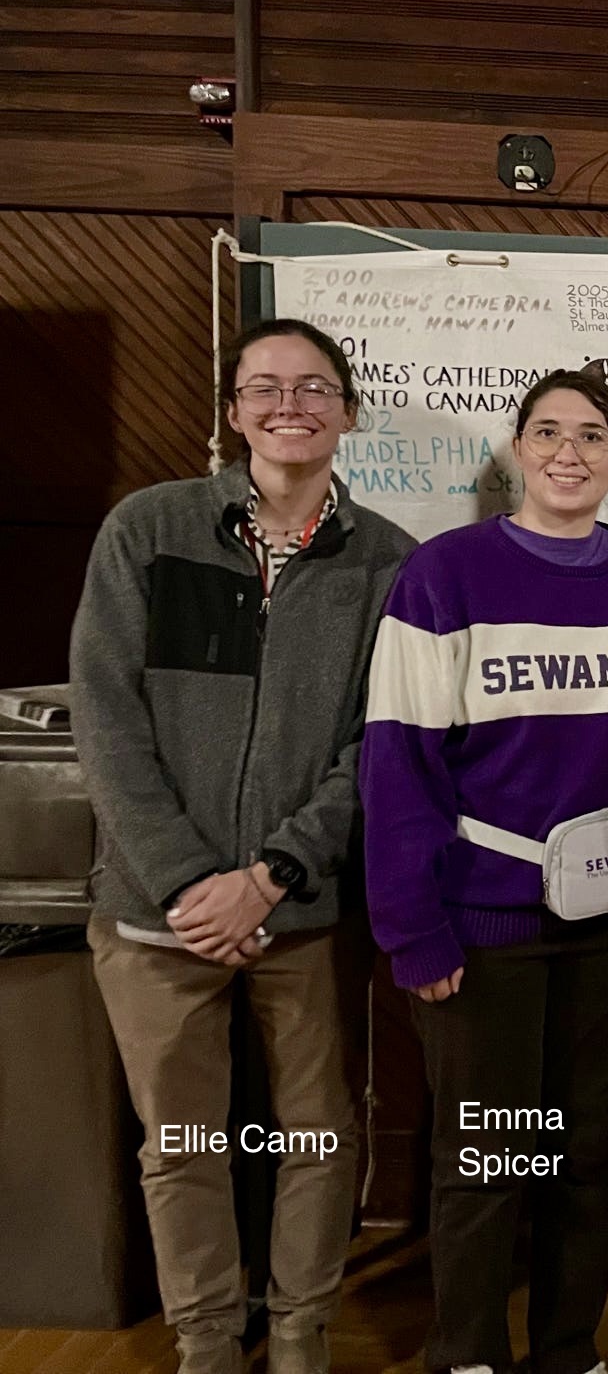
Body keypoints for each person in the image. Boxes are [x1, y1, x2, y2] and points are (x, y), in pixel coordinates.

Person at [70, 319, 414, 1374]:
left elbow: (378, 744)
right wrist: (189, 882)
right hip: (155, 910)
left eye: (315, 388)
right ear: (233, 411)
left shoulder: (388, 559)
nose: (290, 405)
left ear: (347, 412)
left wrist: (268, 876)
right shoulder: (151, 528)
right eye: (265, 387)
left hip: (301, 908)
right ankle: (208, 1344)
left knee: (318, 1134)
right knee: (181, 1147)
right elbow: (106, 715)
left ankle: (303, 1333)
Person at [360, 369, 608, 1374]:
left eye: (593, 436)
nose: (568, 452)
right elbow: (397, 760)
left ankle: (567, 1349)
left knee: (589, 1156)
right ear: (516, 449)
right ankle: (465, 1352)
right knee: (489, 1155)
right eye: (547, 431)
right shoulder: (442, 577)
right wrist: (413, 929)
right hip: (479, 924)